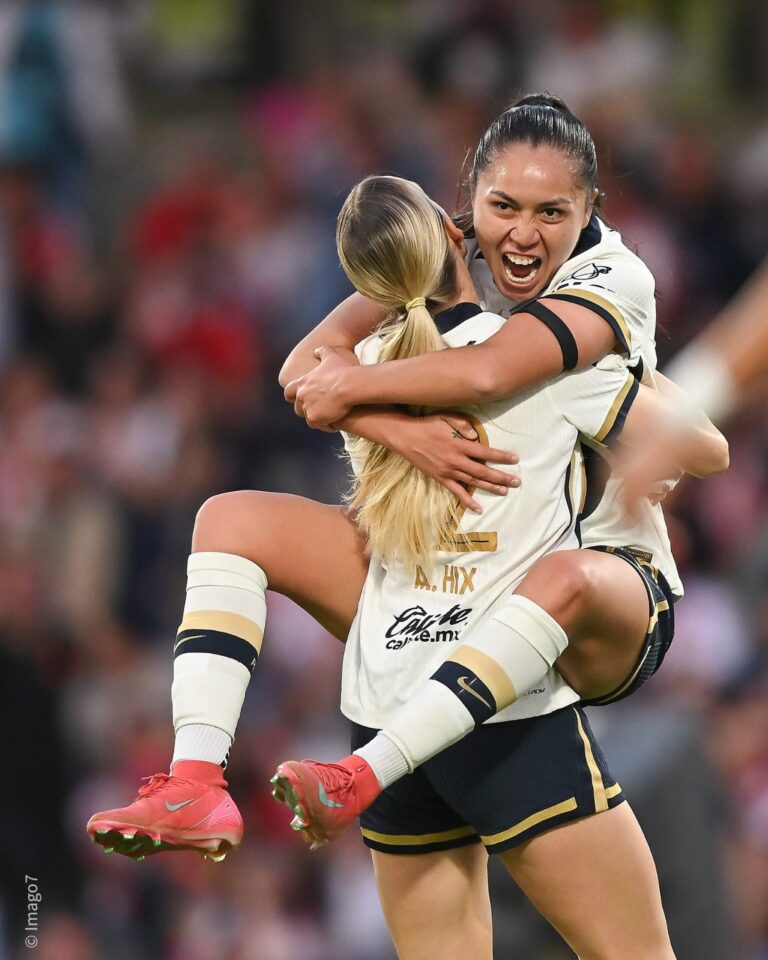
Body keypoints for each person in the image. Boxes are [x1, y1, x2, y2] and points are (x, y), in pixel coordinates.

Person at [86, 96, 725, 890]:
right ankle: (196, 779)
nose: (521, 234)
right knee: (229, 518)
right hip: (449, 603)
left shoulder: (607, 284)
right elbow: (302, 370)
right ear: (468, 200)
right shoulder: (436, 267)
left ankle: (362, 770)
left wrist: (361, 391)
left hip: (593, 593)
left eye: (551, 212)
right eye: (502, 207)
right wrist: (404, 429)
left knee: (559, 580)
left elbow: (494, 373)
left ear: (591, 208)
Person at [270, 171, 718, 960]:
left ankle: (200, 772)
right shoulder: (542, 359)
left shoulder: (348, 379)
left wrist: (390, 412)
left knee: (229, 520)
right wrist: (621, 369)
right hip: (504, 704)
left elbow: (303, 370)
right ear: (455, 231)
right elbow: (702, 445)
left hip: (386, 695)